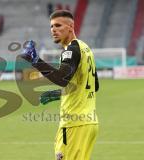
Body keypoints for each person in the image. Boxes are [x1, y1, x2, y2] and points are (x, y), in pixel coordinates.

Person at [21, 10, 99, 160]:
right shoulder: (85, 49)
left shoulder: (71, 50)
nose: (54, 30)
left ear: (71, 26)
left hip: (74, 125)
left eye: (58, 26)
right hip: (88, 123)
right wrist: (58, 94)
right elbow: (93, 85)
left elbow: (62, 78)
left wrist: (36, 60)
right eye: (51, 27)